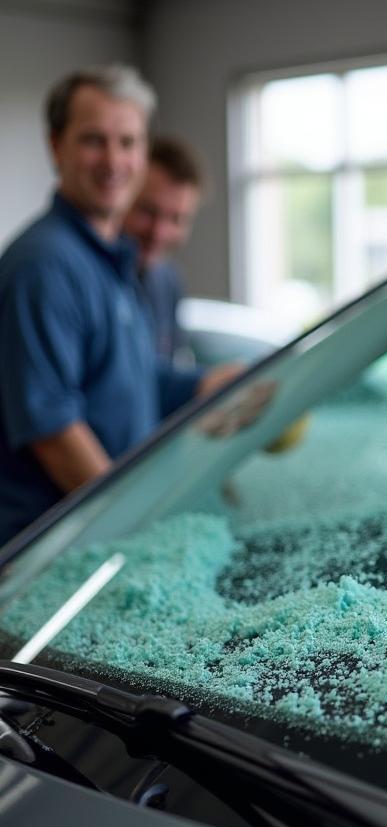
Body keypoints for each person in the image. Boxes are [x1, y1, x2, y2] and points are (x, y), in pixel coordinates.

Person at [0, 65, 237, 547]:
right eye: (93, 140)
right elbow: (53, 429)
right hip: (47, 556)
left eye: (127, 142)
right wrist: (135, 528)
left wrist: (203, 386)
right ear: (55, 146)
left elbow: (127, 380)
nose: (113, 160)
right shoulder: (44, 266)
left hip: (97, 544)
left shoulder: (117, 263)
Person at [123, 135, 203, 362]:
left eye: (176, 219)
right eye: (148, 211)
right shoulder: (90, 278)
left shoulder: (169, 281)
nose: (159, 233)